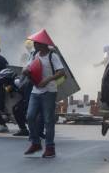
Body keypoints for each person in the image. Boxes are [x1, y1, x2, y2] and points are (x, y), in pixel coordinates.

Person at [23, 29, 65, 158]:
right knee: (30, 116)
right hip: (36, 91)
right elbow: (29, 67)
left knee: (48, 120)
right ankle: (35, 142)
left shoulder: (53, 56)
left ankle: (50, 147)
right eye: (35, 43)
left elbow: (61, 72)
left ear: (43, 44)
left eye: (37, 43)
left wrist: (47, 79)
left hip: (49, 91)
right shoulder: (35, 54)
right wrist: (26, 70)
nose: (35, 45)